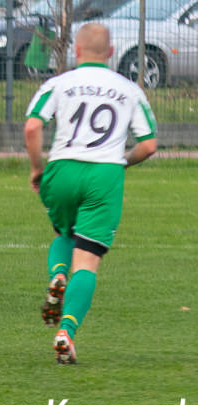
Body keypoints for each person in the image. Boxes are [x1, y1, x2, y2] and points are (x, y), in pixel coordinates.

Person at [24, 23, 157, 364]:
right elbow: (149, 145)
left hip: (63, 168)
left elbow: (32, 126)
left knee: (64, 232)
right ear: (111, 53)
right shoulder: (129, 90)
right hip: (104, 173)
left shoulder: (58, 83)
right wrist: (123, 163)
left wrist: (38, 168)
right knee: (87, 261)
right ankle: (66, 331)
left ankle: (57, 274)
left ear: (76, 52)